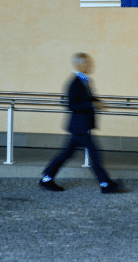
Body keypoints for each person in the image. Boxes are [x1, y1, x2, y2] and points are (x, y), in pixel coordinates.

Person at [39, 52, 120, 193]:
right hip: (79, 127)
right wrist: (91, 105)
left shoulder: (85, 80)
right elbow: (72, 105)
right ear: (80, 64)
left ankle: (46, 178)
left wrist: (96, 101)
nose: (91, 65)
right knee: (94, 155)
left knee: (66, 154)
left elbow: (88, 98)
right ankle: (105, 184)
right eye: (88, 63)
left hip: (82, 126)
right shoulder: (74, 83)